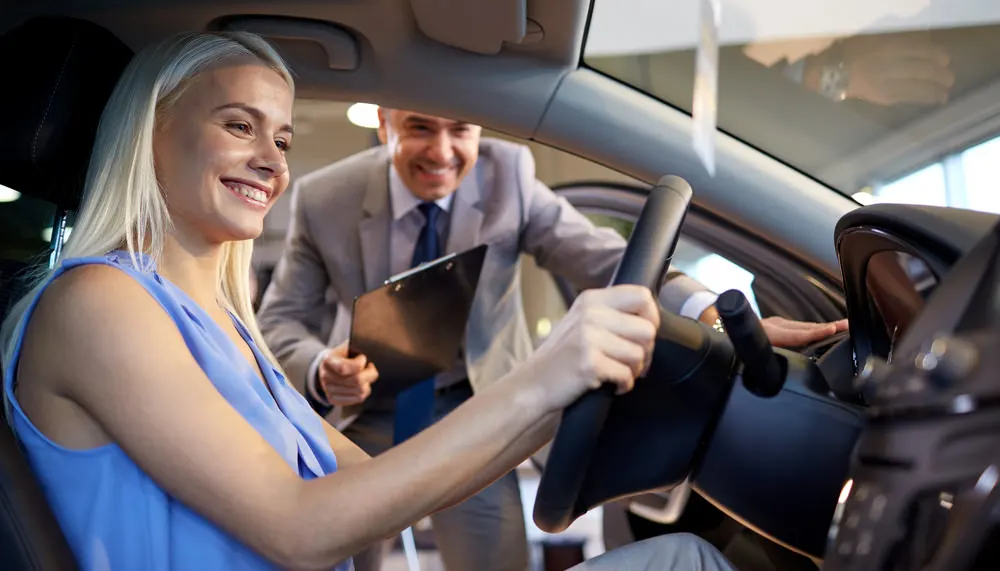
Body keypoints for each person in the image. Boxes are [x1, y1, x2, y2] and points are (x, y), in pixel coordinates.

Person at [0, 30, 739, 571]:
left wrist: (566, 391)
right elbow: (298, 527)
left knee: (679, 555)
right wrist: (545, 377)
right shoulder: (98, 302)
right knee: (683, 563)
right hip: (381, 424)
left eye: (283, 139)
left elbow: (372, 484)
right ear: (149, 130)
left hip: (451, 406)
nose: (270, 159)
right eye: (238, 124)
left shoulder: (226, 328)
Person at [257, 107, 849, 570]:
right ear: (384, 123)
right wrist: (320, 369)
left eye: (459, 130)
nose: (442, 152)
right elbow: (281, 320)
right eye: (418, 128)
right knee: (330, 555)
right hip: (370, 410)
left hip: (475, 406)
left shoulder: (509, 175)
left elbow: (606, 259)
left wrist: (712, 315)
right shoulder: (324, 197)